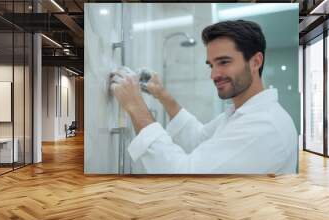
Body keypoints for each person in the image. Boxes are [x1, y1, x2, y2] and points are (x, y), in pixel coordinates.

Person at [110, 20, 297, 174]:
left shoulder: (263, 126)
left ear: (255, 62)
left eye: (224, 62)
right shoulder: (240, 113)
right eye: (211, 65)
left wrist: (136, 106)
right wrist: (162, 95)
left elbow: (185, 177)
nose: (214, 75)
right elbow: (198, 139)